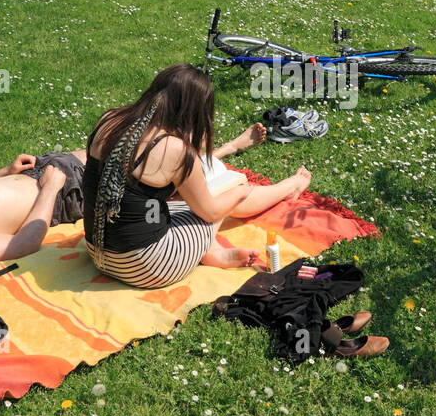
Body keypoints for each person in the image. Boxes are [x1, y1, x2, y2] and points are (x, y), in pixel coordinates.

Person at [83, 64, 311, 289]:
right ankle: (289, 187)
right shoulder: (174, 149)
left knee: (181, 204)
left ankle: (208, 249)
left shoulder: (110, 120)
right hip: (145, 267)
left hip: (99, 251)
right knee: (224, 196)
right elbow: (210, 211)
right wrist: (242, 191)